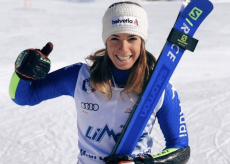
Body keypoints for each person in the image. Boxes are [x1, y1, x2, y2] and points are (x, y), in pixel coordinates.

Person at [9, 1, 190, 164]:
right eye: (115, 38)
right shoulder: (78, 77)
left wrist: (143, 163)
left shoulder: (159, 87)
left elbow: (180, 148)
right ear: (106, 41)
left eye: (132, 38)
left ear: (142, 42)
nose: (123, 48)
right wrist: (22, 74)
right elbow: (25, 97)